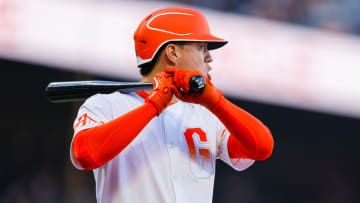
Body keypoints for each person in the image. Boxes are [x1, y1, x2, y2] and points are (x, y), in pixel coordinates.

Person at [70, 7, 274, 203]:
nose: (209, 57)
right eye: (202, 48)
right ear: (173, 53)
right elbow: (85, 155)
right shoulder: (107, 104)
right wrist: (153, 106)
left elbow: (262, 148)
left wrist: (215, 102)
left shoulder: (207, 114)